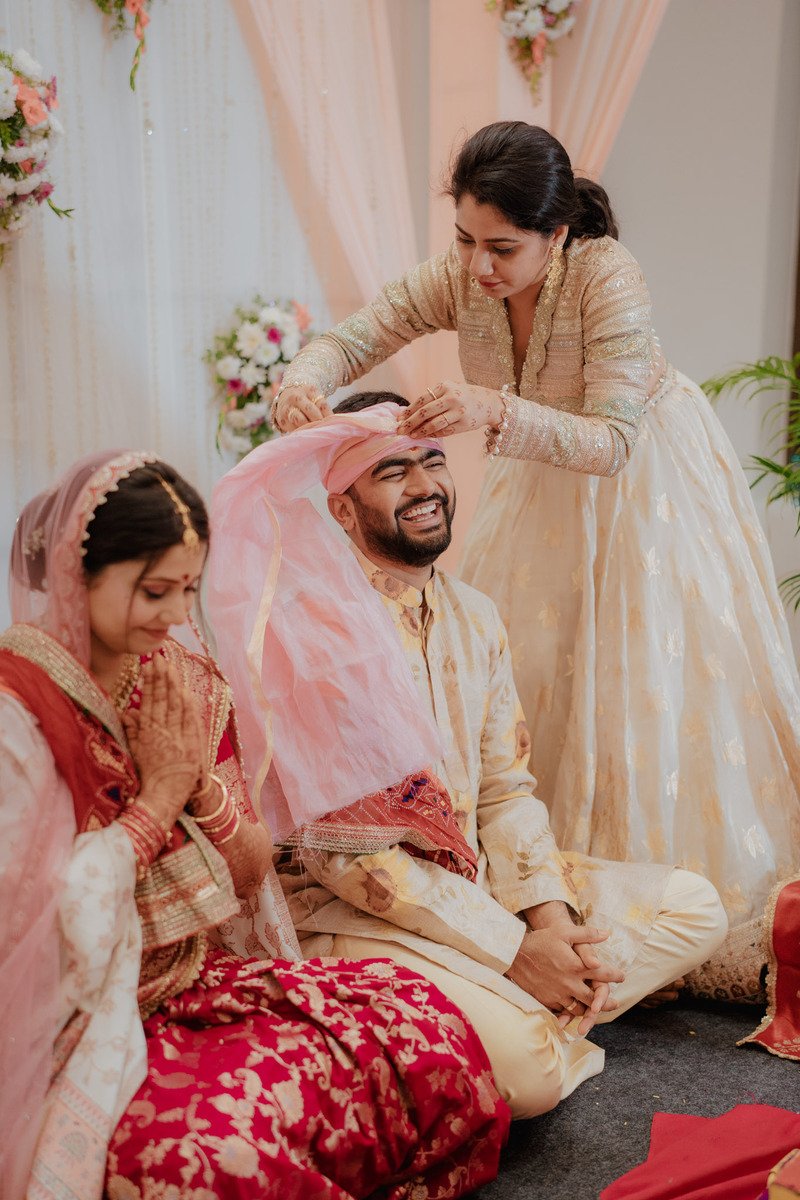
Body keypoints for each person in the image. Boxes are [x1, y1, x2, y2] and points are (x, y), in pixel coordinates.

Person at [271, 122, 800, 1000]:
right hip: (537, 473)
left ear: (556, 234)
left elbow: (614, 442)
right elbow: (359, 334)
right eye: (465, 241)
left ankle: (647, 932)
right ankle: (546, 922)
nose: (478, 266)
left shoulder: (606, 275)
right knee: (529, 675)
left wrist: (490, 411)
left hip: (643, 484)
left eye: (502, 248)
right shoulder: (463, 274)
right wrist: (304, 379)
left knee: (636, 684)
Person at [0, 450, 509, 1200]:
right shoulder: (18, 710)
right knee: (219, 1154)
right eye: (154, 591)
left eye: (189, 590)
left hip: (189, 977)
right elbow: (34, 927)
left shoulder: (182, 678)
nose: (177, 616)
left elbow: (246, 874)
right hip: (69, 1020)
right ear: (79, 575)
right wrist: (157, 801)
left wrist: (197, 786)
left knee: (423, 1027)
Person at [206, 397, 728, 1120]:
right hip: (352, 912)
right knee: (532, 1075)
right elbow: (347, 861)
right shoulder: (311, 633)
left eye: (433, 462)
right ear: (342, 510)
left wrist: (548, 924)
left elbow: (505, 792)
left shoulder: (474, 616)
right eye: (393, 472)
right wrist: (513, 950)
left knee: (696, 908)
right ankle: (537, 1009)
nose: (425, 486)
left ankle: (529, 1004)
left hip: (478, 883)